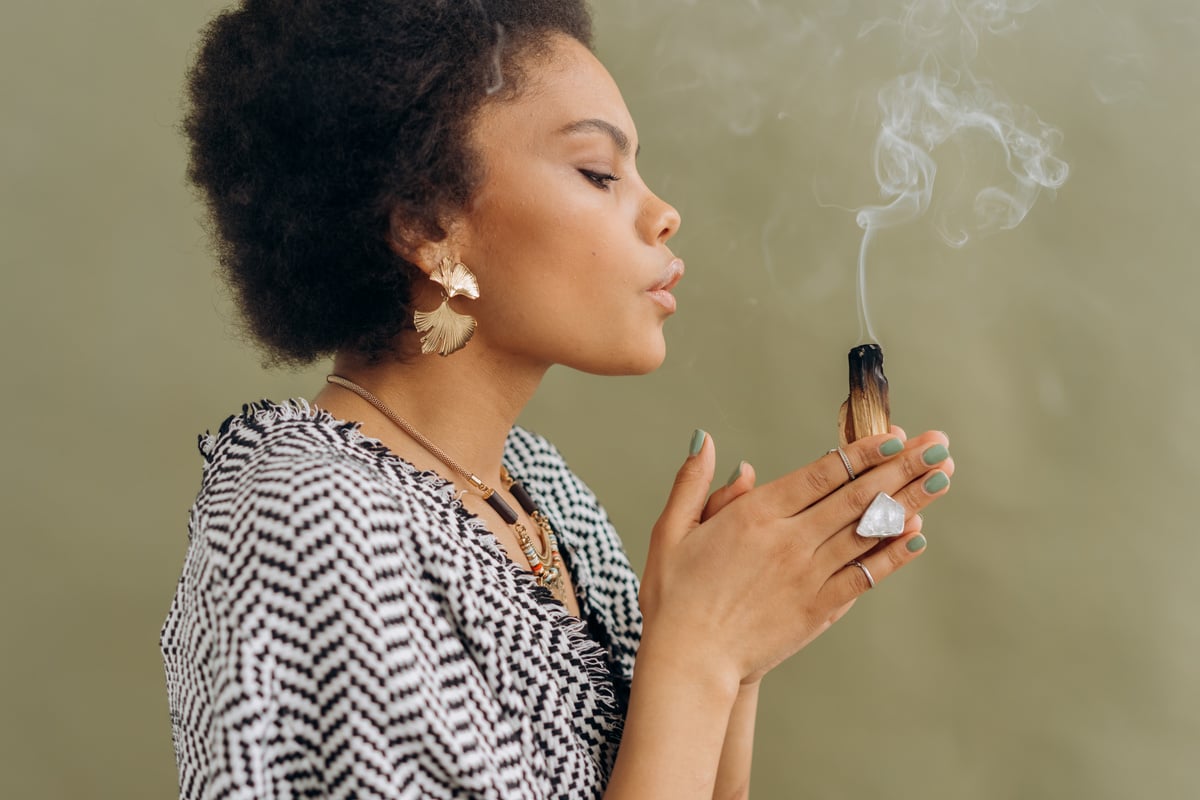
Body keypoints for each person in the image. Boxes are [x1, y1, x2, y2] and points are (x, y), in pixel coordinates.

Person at [159, 1, 955, 798]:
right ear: (429, 224)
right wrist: (698, 651)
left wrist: (735, 652)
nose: (664, 213)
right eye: (599, 173)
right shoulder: (309, 515)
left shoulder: (541, 494)